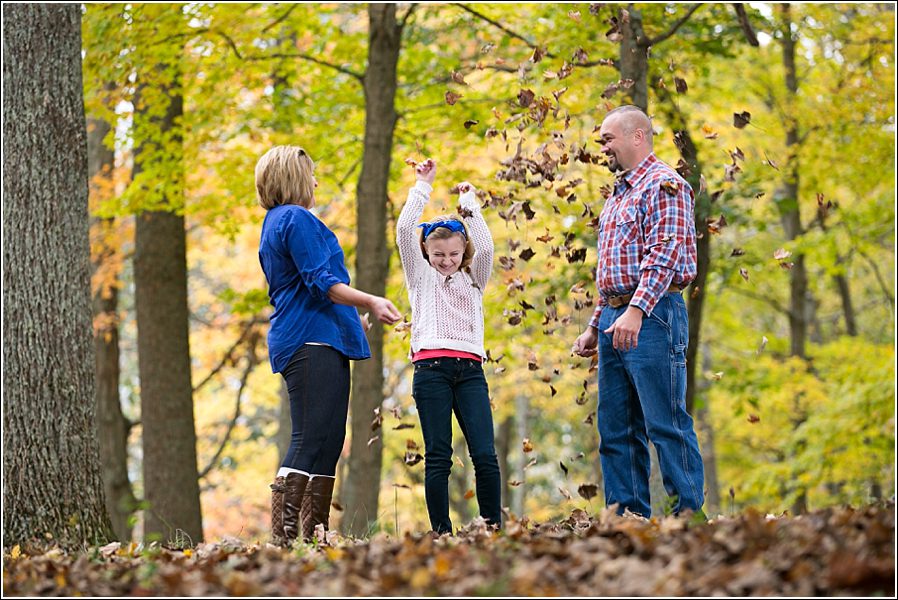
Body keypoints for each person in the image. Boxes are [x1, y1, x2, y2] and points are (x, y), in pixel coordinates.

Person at [256, 145, 402, 546]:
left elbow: (306, 286)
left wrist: (353, 322)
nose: (316, 182)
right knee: (310, 437)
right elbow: (322, 282)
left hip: (322, 337)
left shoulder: (279, 221)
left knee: (330, 439)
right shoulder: (295, 218)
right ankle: (285, 537)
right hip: (308, 339)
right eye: (311, 174)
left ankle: (314, 534)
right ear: (293, 178)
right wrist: (370, 300)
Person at [572, 105, 705, 518]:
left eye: (607, 139)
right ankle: (627, 521)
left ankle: (688, 518)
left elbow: (664, 254)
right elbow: (613, 268)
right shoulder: (619, 194)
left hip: (654, 314)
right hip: (616, 317)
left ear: (637, 136)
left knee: (664, 422)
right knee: (616, 428)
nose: (602, 147)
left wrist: (636, 310)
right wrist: (596, 324)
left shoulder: (665, 185)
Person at [396, 158, 502, 534]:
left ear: (462, 251)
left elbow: (486, 248)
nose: (446, 261)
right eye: (438, 254)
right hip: (431, 371)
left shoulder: (474, 277)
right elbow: (404, 228)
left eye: (454, 254)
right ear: (426, 252)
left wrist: (469, 205)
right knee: (439, 455)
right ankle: (442, 533)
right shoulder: (420, 276)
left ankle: (492, 528)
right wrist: (422, 186)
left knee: (485, 454)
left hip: (470, 371)